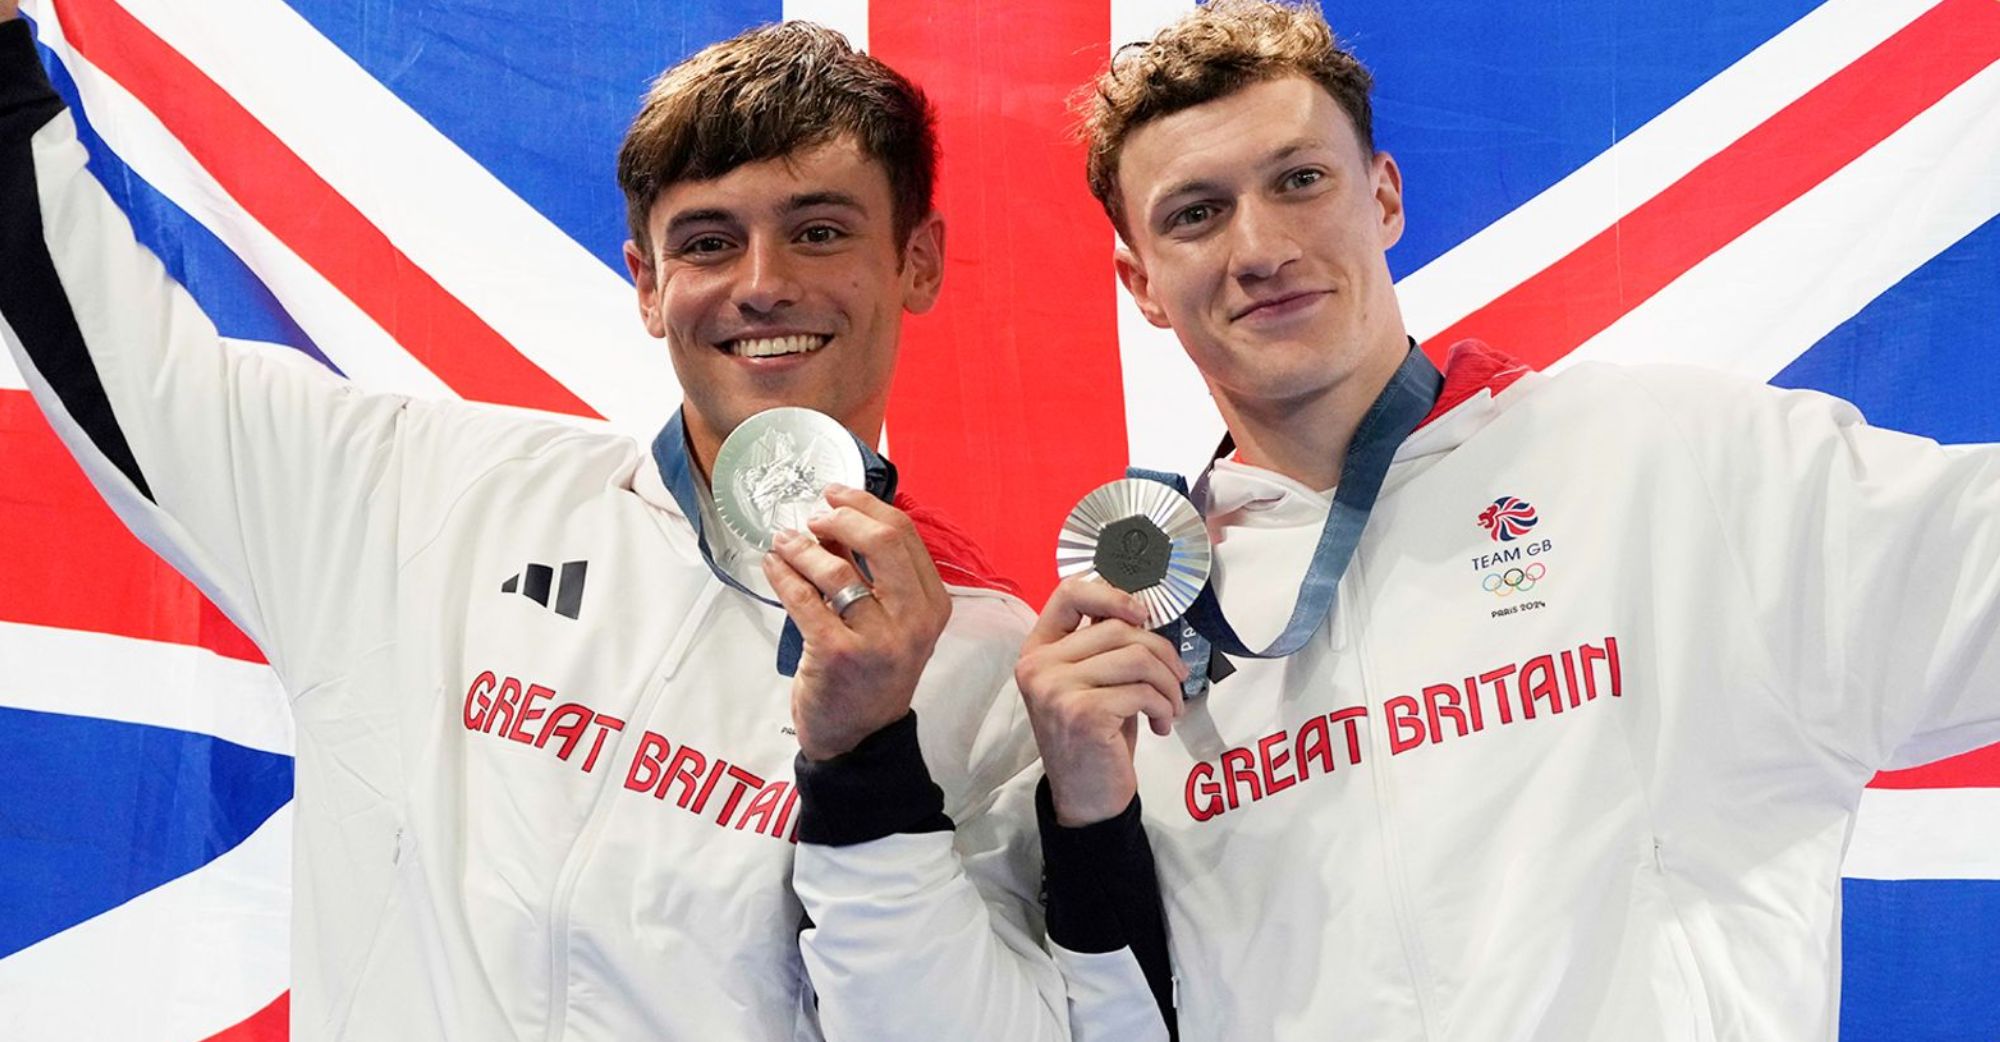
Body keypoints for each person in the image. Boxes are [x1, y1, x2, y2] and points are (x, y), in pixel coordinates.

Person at [0, 9, 1073, 1040]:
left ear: (917, 261)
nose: (761, 284)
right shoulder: (424, 497)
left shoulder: (984, 667)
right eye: (707, 242)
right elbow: (120, 358)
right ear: (645, 284)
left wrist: (866, 761)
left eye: (819, 231)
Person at [1017, 2, 2000, 1039]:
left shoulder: (1663, 460)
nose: (1258, 247)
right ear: (1141, 285)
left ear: (1383, 197)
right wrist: (1087, 821)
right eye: (1194, 214)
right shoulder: (1133, 634)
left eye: (1298, 180)